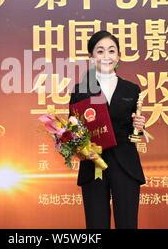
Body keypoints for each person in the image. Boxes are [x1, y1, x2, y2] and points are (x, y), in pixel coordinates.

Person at [68, 30, 146, 229]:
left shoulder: (131, 89)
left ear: (118, 56)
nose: (106, 56)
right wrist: (75, 136)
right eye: (100, 51)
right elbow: (73, 130)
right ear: (92, 57)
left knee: (128, 224)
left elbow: (134, 134)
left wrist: (140, 127)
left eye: (111, 51)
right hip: (94, 164)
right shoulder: (80, 90)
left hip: (125, 164)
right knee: (96, 225)